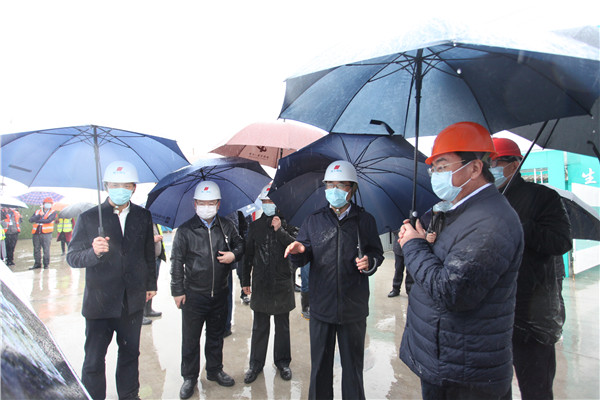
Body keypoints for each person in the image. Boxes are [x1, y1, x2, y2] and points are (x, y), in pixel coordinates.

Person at [398, 122, 524, 400]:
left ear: (475, 168)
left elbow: (452, 291)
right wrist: (425, 241)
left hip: (465, 373)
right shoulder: (462, 211)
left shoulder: (491, 221)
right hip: (447, 359)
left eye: (443, 166)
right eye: (434, 169)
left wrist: (414, 246)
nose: (436, 175)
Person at [284, 160, 384, 400]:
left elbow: (377, 253)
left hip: (353, 309)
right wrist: (298, 251)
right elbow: (303, 254)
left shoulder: (365, 220)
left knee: (353, 370)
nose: (334, 190)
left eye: (340, 185)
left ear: (352, 189)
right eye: (330, 185)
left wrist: (370, 261)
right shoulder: (313, 220)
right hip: (322, 307)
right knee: (319, 369)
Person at [67, 161, 156, 400]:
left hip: (132, 301)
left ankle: (129, 395)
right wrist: (93, 252)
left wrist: (151, 285)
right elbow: (72, 257)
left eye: (125, 185)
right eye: (114, 185)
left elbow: (148, 253)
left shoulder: (143, 216)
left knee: (130, 355)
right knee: (94, 359)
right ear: (106, 186)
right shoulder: (88, 218)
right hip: (100, 303)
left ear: (133, 188)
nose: (120, 189)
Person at [491, 137, 572, 400]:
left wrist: (520, 224)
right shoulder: (486, 201)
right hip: (493, 314)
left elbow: (561, 242)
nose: (489, 169)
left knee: (536, 388)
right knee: (495, 387)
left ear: (514, 165)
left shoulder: (543, 197)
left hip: (531, 313)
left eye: (494, 163)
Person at [170, 180, 244, 399]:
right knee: (190, 339)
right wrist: (177, 290)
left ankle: (214, 370)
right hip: (194, 294)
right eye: (202, 203)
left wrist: (234, 255)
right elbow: (176, 261)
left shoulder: (226, 226)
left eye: (211, 203)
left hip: (220, 293)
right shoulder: (185, 230)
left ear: (218, 204)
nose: (206, 207)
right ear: (195, 204)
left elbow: (241, 245)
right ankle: (189, 377)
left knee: (216, 336)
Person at [242, 183, 296, 384]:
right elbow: (247, 256)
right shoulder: (255, 226)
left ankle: (283, 362)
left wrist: (280, 230)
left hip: (282, 283)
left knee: (282, 326)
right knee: (260, 326)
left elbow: (295, 247)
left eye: (271, 200)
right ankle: (255, 365)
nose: (268, 203)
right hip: (261, 283)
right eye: (265, 200)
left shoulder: (289, 224)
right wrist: (245, 280)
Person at [142, 223, 166, 325]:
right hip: (146, 260)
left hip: (156, 258)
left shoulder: (155, 223)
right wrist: (153, 239)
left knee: (152, 286)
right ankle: (141, 314)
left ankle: (148, 309)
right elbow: (138, 240)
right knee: (144, 287)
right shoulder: (142, 222)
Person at [29, 197, 57, 269]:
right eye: (47, 203)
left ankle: (46, 264)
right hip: (36, 233)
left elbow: (48, 220)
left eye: (50, 203)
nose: (48, 204)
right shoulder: (38, 211)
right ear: (43, 204)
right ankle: (37, 264)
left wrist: (37, 220)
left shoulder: (53, 212)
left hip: (46, 234)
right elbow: (31, 220)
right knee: (36, 249)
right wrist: (39, 216)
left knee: (46, 249)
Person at [387, 230, 405, 297]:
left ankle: (410, 290)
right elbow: (393, 230)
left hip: (411, 247)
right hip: (398, 247)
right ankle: (395, 289)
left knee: (410, 272)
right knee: (398, 269)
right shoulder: (397, 223)